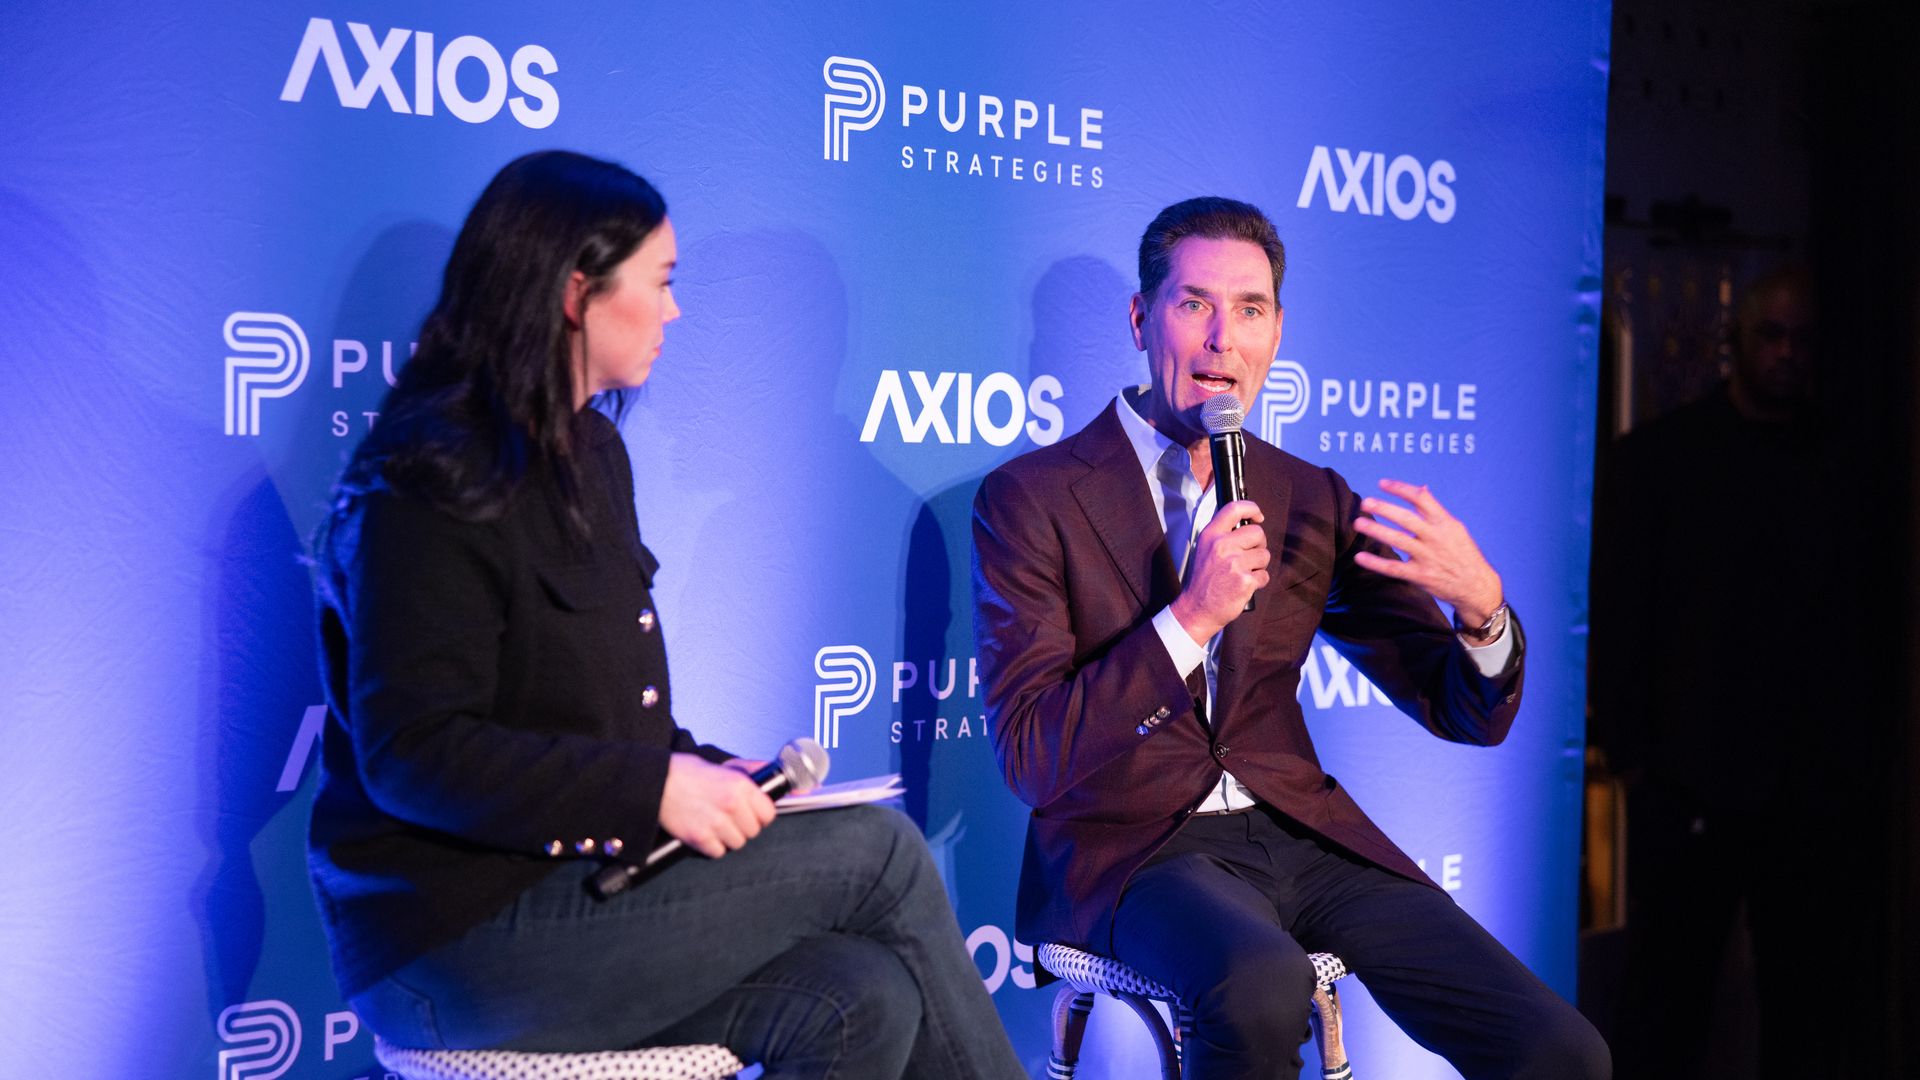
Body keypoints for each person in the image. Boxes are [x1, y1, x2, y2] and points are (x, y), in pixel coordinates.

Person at [308, 150, 1023, 1080]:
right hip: (453, 943)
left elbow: (599, 716)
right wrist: (654, 791)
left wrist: (716, 772)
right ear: (577, 291)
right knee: (879, 854)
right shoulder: (426, 482)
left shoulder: (593, 452)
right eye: (662, 282)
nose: (676, 311)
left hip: (590, 895)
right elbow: (416, 755)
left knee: (859, 996)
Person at [971, 196, 1609, 1079]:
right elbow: (1032, 756)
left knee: (1563, 1051)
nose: (1221, 339)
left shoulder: (1307, 495)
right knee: (1261, 984)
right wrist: (1189, 619)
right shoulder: (1032, 498)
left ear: (1277, 334)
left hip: (1301, 832)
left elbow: (1461, 708)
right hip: (1137, 848)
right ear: (1139, 319)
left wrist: (1481, 611)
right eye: (1193, 304)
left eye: (1250, 309)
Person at [1592, 266, 1839, 1077]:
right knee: (1668, 996)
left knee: (1806, 997)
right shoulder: (1661, 463)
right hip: (1686, 779)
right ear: (1737, 344)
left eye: (1804, 340)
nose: (1788, 355)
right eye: (1772, 335)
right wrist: (1632, 755)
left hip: (1806, 784)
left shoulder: (1842, 468)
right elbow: (1622, 611)